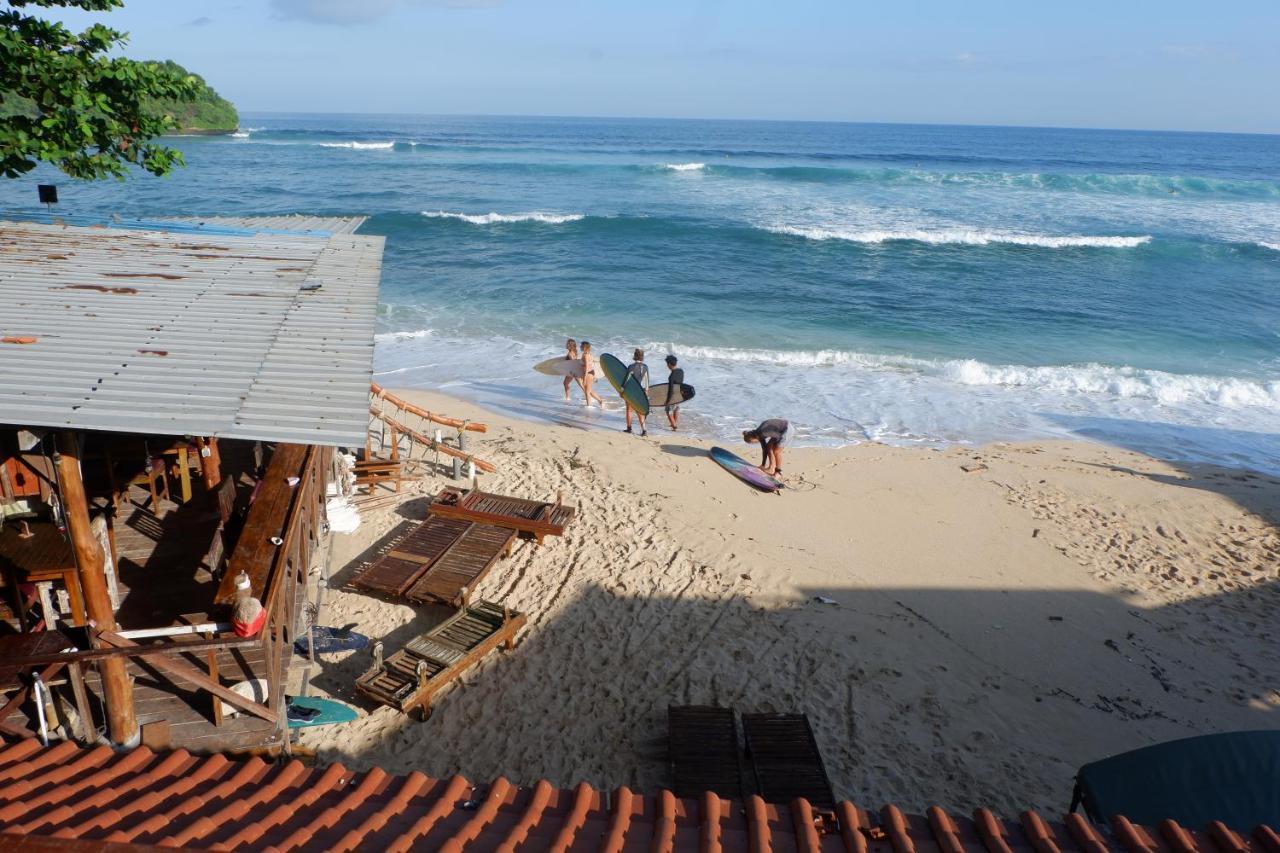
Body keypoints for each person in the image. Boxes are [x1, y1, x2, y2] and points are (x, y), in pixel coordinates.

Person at [624, 348, 650, 435]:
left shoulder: (631, 367)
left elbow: (626, 380)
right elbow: (647, 382)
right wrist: (646, 393)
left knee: (629, 410)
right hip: (640, 391)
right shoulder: (645, 367)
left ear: (635, 356)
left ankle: (629, 428)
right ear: (642, 357)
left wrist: (621, 390)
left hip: (631, 391)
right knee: (639, 411)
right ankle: (644, 430)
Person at [579, 341, 605, 408]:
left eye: (581, 346)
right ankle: (600, 401)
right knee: (588, 390)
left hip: (588, 373)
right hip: (591, 373)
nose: (580, 347)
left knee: (587, 392)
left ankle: (589, 407)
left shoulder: (585, 355)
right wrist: (595, 375)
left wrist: (584, 378)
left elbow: (587, 366)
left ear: (584, 347)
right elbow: (593, 365)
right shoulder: (590, 354)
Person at [663, 354, 684, 431]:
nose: (667, 366)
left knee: (668, 411)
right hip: (679, 394)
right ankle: (674, 423)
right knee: (676, 409)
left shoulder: (672, 376)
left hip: (673, 396)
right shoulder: (681, 371)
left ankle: (674, 426)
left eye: (667, 364)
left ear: (669, 364)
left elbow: (670, 390)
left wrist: (668, 401)